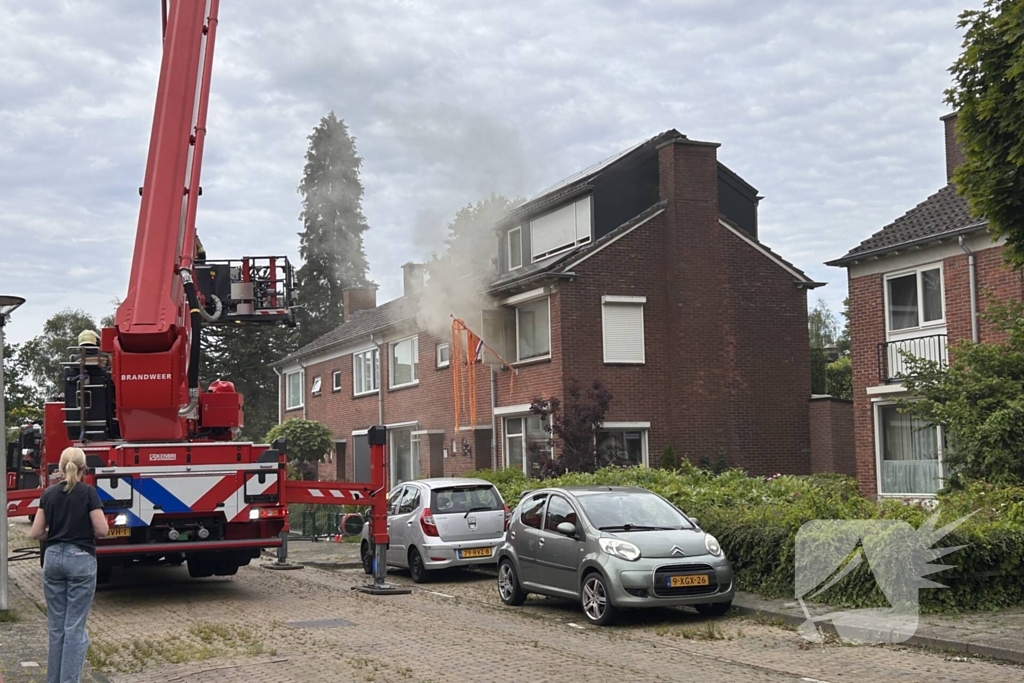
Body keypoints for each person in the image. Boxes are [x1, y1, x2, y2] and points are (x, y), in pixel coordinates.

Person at [29, 447, 109, 683]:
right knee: (74, 628)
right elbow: (102, 530)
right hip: (81, 560)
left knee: (56, 628)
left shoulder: (49, 493)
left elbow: (36, 532)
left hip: (53, 560)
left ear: (60, 468)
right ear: (84, 467)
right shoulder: (88, 493)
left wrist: (53, 535)